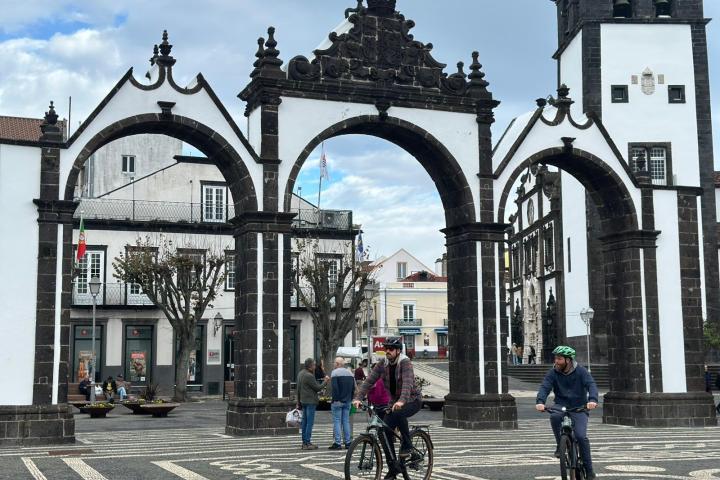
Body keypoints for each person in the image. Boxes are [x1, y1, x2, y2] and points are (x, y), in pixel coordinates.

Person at [354, 337, 422, 480]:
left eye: (391, 349)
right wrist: (358, 398)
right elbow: (368, 381)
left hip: (412, 400)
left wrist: (402, 400)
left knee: (398, 412)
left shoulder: (405, 363)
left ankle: (408, 445)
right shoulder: (382, 364)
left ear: (398, 351)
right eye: (386, 349)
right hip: (395, 402)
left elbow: (407, 384)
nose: (387, 351)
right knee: (383, 431)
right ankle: (393, 467)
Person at [536, 345, 599, 480]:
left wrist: (592, 400)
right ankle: (560, 445)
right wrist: (540, 401)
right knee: (554, 416)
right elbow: (545, 386)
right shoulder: (553, 372)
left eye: (559, 359)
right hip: (561, 405)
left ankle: (589, 470)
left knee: (581, 437)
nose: (556, 361)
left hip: (579, 407)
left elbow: (591, 385)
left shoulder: (581, 371)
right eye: (555, 358)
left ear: (568, 360)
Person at [297, 358, 330, 450]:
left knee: (304, 422)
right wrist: (325, 381)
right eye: (314, 365)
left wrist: (298, 402)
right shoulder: (309, 376)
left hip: (303, 401)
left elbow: (298, 389)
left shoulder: (300, 373)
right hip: (310, 402)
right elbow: (317, 387)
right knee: (309, 423)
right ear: (310, 366)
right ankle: (307, 442)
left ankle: (304, 442)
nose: (315, 367)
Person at [329, 357, 355, 450]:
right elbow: (353, 388)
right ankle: (348, 442)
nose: (333, 365)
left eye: (334, 363)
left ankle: (337, 443)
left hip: (338, 401)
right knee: (346, 422)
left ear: (337, 364)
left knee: (337, 421)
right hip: (347, 400)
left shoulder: (334, 373)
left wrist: (335, 399)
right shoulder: (350, 373)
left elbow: (335, 388)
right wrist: (350, 398)